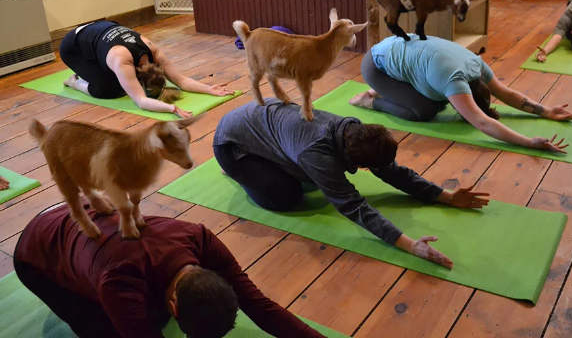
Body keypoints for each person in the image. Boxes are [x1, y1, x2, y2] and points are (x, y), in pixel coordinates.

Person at [214, 99, 491, 269]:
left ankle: (269, 166)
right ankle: (239, 174)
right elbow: (352, 205)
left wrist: (446, 196)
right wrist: (409, 245)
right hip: (233, 144)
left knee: (314, 180)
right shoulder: (318, 153)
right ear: (358, 164)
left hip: (264, 124)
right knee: (289, 198)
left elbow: (393, 172)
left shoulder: (356, 132)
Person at [14, 203, 326, 338]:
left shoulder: (200, 238)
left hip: (86, 218)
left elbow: (260, 306)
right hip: (37, 251)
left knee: (148, 316)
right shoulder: (119, 281)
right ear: (175, 304)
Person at [349, 34, 572, 153]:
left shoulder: (475, 65)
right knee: (424, 111)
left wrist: (547, 111)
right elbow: (484, 123)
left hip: (397, 49)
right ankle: (371, 100)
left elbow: (506, 93)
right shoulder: (453, 80)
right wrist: (529, 142)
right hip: (375, 66)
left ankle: (392, 90)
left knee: (435, 102)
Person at [59, 21, 234, 118]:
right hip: (73, 48)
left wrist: (209, 89)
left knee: (122, 84)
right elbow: (141, 101)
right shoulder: (122, 61)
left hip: (99, 33)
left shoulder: (154, 51)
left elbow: (181, 80)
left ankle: (94, 68)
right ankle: (74, 82)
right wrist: (171, 109)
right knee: (110, 89)